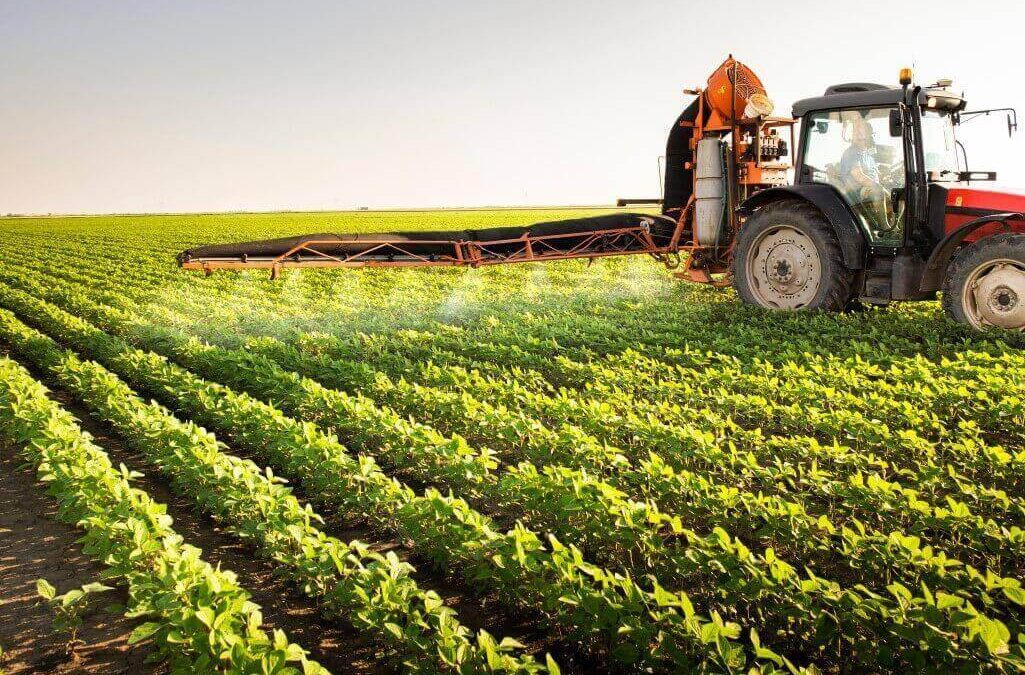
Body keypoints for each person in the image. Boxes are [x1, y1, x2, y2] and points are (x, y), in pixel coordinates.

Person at [840, 117, 894, 232]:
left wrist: (886, 176)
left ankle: (895, 224)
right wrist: (877, 185)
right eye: (855, 129)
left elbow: (873, 172)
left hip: (869, 185)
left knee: (899, 193)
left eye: (860, 128)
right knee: (878, 191)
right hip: (856, 192)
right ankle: (884, 228)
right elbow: (859, 176)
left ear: (868, 133)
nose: (857, 131)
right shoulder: (851, 153)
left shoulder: (867, 153)